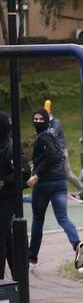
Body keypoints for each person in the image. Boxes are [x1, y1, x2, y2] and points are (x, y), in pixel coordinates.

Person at [26, 108, 82, 268]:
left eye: (39, 119)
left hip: (44, 184)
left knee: (38, 219)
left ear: (45, 120)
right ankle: (77, 243)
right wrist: (35, 167)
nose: (37, 121)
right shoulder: (53, 135)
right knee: (63, 218)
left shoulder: (43, 136)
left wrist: (37, 174)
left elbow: (51, 156)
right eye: (34, 119)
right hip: (59, 182)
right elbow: (55, 156)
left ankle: (32, 256)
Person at [0, 112, 28, 279]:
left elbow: (24, 171)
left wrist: (3, 182)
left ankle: (4, 280)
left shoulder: (11, 148)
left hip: (6, 200)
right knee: (7, 239)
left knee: (3, 238)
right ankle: (17, 275)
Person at [46, 101, 83, 194]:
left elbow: (52, 133)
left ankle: (82, 188)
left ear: (51, 111)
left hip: (61, 150)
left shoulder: (55, 122)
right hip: (52, 151)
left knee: (67, 173)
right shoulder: (48, 122)